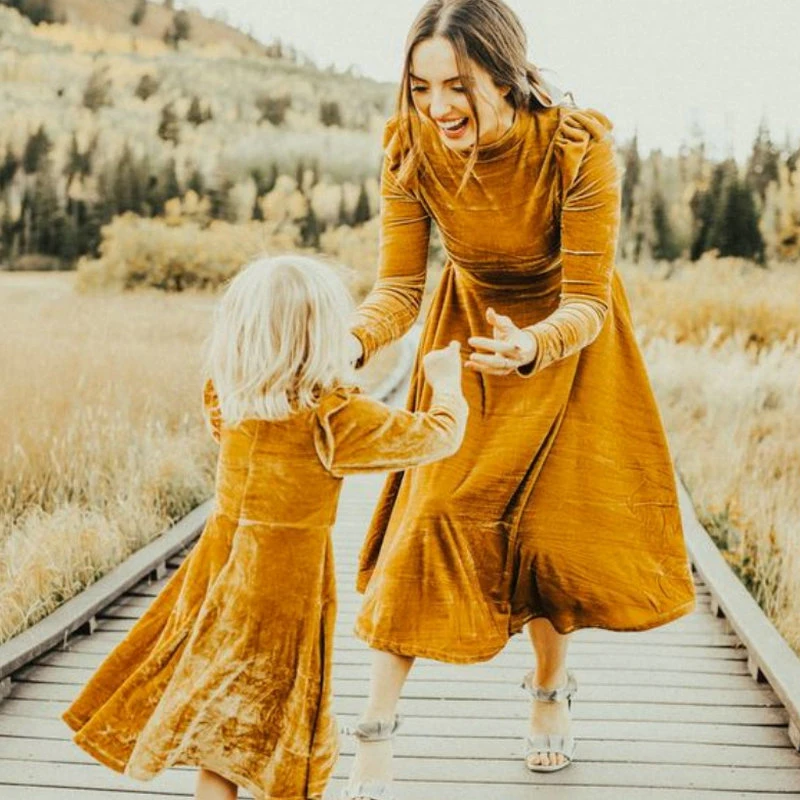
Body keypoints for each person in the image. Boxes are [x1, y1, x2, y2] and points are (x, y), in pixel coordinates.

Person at [341, 0, 696, 795]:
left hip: (567, 344)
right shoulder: (409, 150)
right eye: (421, 85)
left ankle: (547, 694)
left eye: (457, 85)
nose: (438, 107)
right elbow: (398, 287)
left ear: (503, 73)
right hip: (467, 336)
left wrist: (532, 345)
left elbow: (589, 299)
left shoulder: (575, 148)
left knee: (547, 531)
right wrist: (352, 341)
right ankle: (375, 727)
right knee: (430, 518)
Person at [62, 254, 468, 800]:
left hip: (218, 577)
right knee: (278, 722)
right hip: (286, 591)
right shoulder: (335, 418)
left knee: (223, 724)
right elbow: (436, 436)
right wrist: (446, 383)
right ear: (326, 337)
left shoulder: (225, 395)